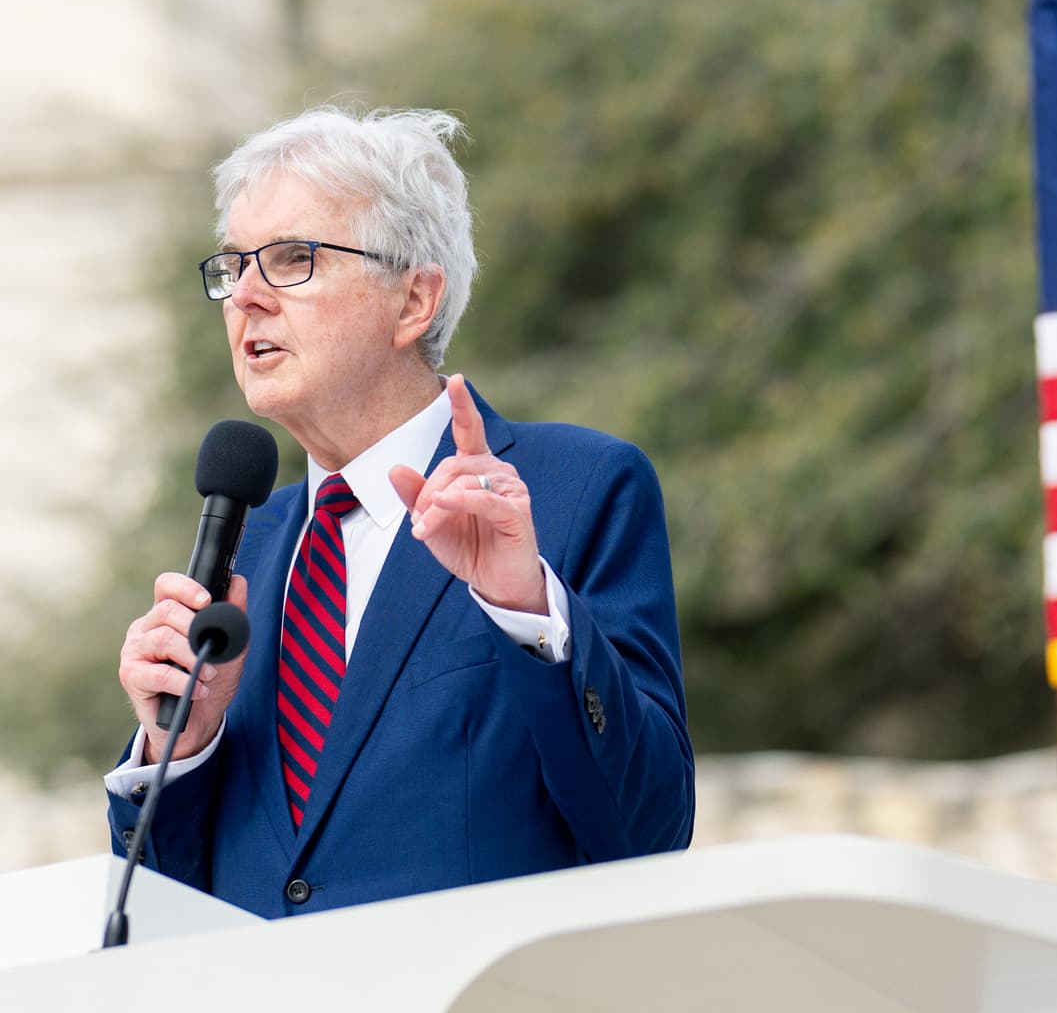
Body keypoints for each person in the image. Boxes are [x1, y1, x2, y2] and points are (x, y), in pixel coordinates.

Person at [106, 106, 693, 917]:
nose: (244, 296)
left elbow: (650, 832)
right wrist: (184, 742)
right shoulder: (249, 544)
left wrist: (526, 607)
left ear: (414, 299)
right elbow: (168, 904)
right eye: (235, 265)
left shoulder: (576, 490)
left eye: (291, 259)